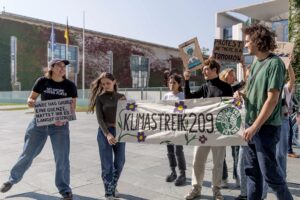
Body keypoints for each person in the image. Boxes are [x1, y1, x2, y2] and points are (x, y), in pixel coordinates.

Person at [0, 59, 77, 200]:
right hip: (39, 123)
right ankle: (12, 180)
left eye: (64, 66)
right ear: (52, 67)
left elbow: (72, 107)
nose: (62, 68)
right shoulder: (42, 81)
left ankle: (65, 189)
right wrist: (30, 102)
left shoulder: (69, 85)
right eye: (59, 65)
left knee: (62, 158)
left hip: (60, 126)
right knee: (27, 153)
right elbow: (31, 99)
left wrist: (64, 118)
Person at [236, 23, 293, 200]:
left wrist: (254, 127)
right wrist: (241, 94)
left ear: (257, 40)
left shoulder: (275, 63)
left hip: (265, 128)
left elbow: (272, 99)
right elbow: (251, 90)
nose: (245, 45)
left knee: (272, 177)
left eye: (247, 41)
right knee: (252, 173)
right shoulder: (254, 63)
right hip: (251, 126)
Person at [183, 58, 233, 200]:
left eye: (206, 68)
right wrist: (186, 80)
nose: (203, 71)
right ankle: (196, 188)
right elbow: (188, 98)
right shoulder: (204, 87)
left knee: (218, 163)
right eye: (204, 68)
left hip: (219, 132)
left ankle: (216, 190)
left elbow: (229, 109)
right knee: (197, 160)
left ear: (214, 70)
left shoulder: (226, 87)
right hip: (203, 131)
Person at [88, 72, 126, 200]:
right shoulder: (100, 98)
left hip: (120, 132)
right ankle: (108, 192)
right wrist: (108, 134)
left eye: (108, 83)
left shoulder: (122, 97)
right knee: (107, 164)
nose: (105, 86)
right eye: (103, 84)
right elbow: (100, 119)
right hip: (105, 133)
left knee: (120, 162)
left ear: (114, 82)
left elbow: (128, 115)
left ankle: (113, 185)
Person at [162, 72, 187, 186]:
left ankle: (182, 174)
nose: (171, 85)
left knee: (178, 151)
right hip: (168, 126)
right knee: (170, 151)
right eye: (170, 82)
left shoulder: (182, 95)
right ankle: (173, 172)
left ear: (179, 84)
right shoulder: (166, 96)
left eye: (174, 83)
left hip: (179, 126)